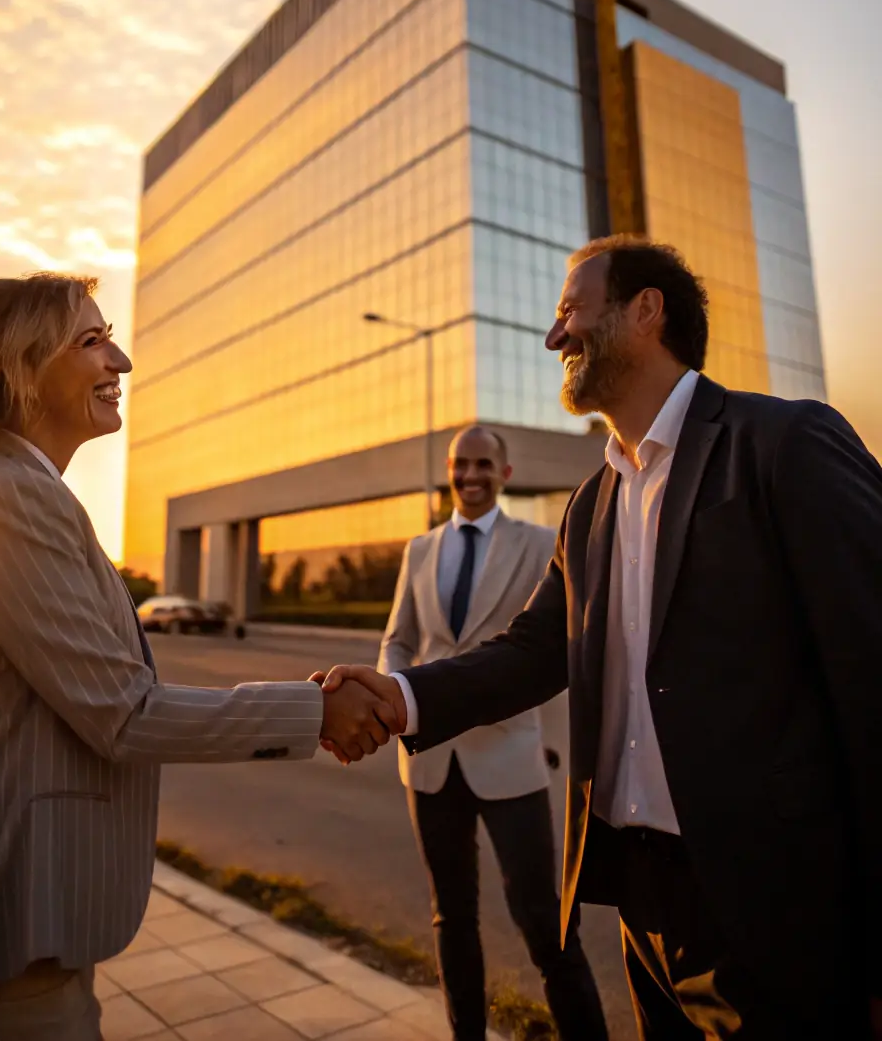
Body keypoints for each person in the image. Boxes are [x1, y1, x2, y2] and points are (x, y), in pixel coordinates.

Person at [320, 236, 882, 1040]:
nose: (555, 338)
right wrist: (401, 697)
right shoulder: (590, 506)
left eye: (569, 311)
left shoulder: (784, 445)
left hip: (774, 908)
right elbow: (532, 651)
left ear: (645, 311)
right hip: (638, 902)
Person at [0, 273, 396, 1041]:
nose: (119, 359)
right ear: (22, 368)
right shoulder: (15, 498)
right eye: (90, 340)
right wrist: (315, 709)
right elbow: (125, 712)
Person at [379, 423, 607, 1041]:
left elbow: (557, 648)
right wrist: (392, 703)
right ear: (449, 472)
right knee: (450, 918)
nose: (471, 476)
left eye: (484, 465)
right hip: (428, 762)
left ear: (505, 474)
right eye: (461, 466)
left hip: (511, 755)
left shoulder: (539, 543)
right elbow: (399, 640)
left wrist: (557, 744)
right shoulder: (419, 550)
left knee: (545, 924)